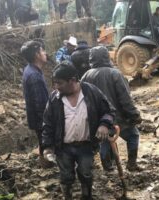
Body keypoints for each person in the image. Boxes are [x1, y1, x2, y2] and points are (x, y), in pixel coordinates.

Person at [42, 63, 115, 200]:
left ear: (72, 80)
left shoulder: (92, 92)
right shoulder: (54, 98)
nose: (56, 86)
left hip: (86, 145)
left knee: (86, 173)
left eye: (59, 83)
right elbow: (48, 124)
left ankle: (86, 196)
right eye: (54, 83)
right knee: (66, 176)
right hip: (63, 147)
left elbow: (109, 111)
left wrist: (104, 124)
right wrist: (47, 146)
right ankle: (67, 196)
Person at [81, 46, 142, 171]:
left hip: (99, 119)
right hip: (117, 117)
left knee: (105, 140)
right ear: (106, 57)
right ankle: (131, 164)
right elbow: (125, 99)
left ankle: (107, 167)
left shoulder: (86, 76)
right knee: (133, 135)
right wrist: (134, 115)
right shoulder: (115, 73)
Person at [20, 41, 52, 168]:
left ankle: (45, 163)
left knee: (43, 141)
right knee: (46, 142)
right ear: (37, 55)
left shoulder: (31, 70)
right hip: (41, 119)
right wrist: (48, 121)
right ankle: (47, 166)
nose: (45, 53)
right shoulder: (34, 76)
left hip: (37, 118)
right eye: (42, 51)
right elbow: (40, 104)